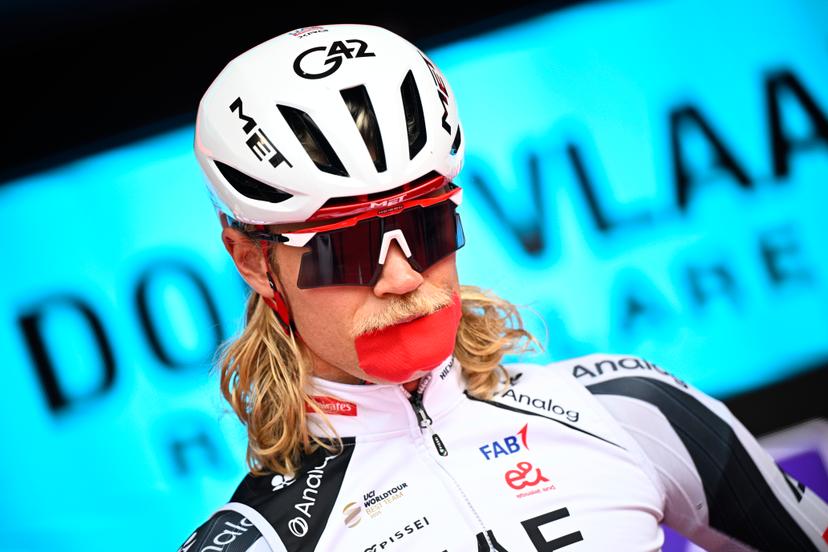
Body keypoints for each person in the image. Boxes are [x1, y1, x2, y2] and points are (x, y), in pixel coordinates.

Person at [180, 23, 828, 551]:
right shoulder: (255, 543)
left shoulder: (632, 406)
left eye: (427, 225)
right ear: (254, 261)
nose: (402, 276)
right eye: (344, 250)